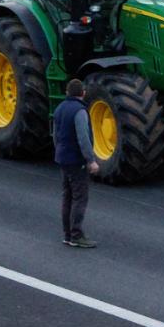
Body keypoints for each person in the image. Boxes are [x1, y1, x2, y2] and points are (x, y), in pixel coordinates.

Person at [52, 78, 100, 247]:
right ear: (83, 93)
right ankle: (76, 235)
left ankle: (67, 234)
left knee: (67, 197)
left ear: (67, 92)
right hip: (76, 161)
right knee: (79, 197)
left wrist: (59, 153)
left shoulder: (59, 109)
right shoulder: (80, 111)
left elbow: (55, 136)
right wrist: (91, 160)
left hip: (63, 159)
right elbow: (83, 138)